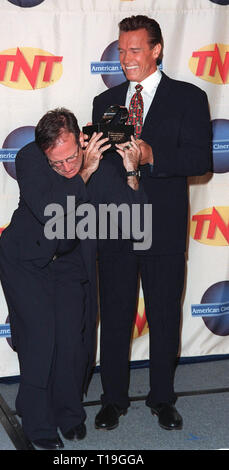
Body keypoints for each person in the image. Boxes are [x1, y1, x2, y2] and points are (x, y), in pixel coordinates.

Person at [0, 108, 146, 449]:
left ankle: (69, 413)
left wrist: (132, 171)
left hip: (67, 261)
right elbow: (51, 211)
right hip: (26, 260)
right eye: (57, 163)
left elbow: (137, 218)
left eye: (71, 158)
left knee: (71, 342)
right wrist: (83, 175)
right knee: (39, 339)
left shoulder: (96, 159)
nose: (66, 167)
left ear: (81, 139)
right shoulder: (29, 157)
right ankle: (36, 421)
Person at [92, 15, 212, 431]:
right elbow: (100, 173)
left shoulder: (190, 98)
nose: (126, 58)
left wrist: (152, 156)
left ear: (157, 50)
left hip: (162, 228)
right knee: (116, 316)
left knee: (163, 316)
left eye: (135, 50)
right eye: (122, 50)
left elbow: (201, 160)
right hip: (116, 227)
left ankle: (162, 398)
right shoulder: (102, 104)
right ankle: (112, 399)